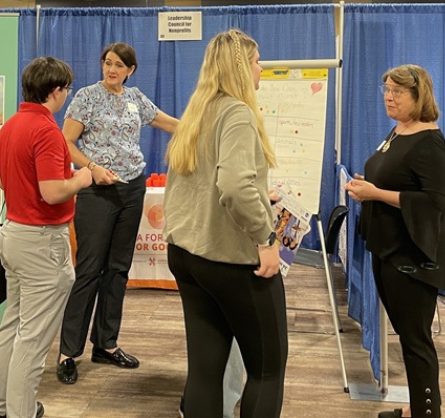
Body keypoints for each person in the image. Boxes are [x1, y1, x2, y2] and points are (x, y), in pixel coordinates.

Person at [163, 29, 286, 418]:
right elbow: (232, 186)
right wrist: (265, 237)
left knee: (204, 370)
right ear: (239, 67)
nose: (260, 68)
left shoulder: (199, 110)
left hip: (187, 254)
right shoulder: (237, 112)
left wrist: (255, 196)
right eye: (255, 60)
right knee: (267, 370)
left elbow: (202, 183)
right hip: (229, 259)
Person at [55, 42, 180, 385]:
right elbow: (65, 143)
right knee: (90, 270)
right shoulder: (85, 97)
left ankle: (106, 344)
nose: (111, 69)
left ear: (130, 71)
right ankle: (68, 352)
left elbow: (169, 123)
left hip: (132, 189)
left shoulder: (136, 98)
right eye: (107, 63)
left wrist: (204, 127)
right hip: (97, 191)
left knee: (119, 269)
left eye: (119, 65)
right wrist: (92, 167)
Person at [344, 64, 445, 418]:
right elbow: (395, 179)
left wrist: (376, 192)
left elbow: (434, 202)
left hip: (413, 256)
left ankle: (426, 413)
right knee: (408, 338)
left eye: (397, 91)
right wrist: (370, 186)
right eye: (386, 89)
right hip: (388, 248)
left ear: (418, 96)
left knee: (416, 340)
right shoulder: (399, 130)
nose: (389, 97)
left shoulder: (430, 141)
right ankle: (418, 408)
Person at [0, 56, 92, 418]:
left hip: (14, 235)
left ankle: (0, 408)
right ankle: (21, 412)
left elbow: (3, 181)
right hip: (41, 241)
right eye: (67, 89)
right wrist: (82, 177)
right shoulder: (46, 131)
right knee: (32, 341)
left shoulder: (10, 126)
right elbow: (51, 191)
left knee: (12, 327)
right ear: (56, 91)